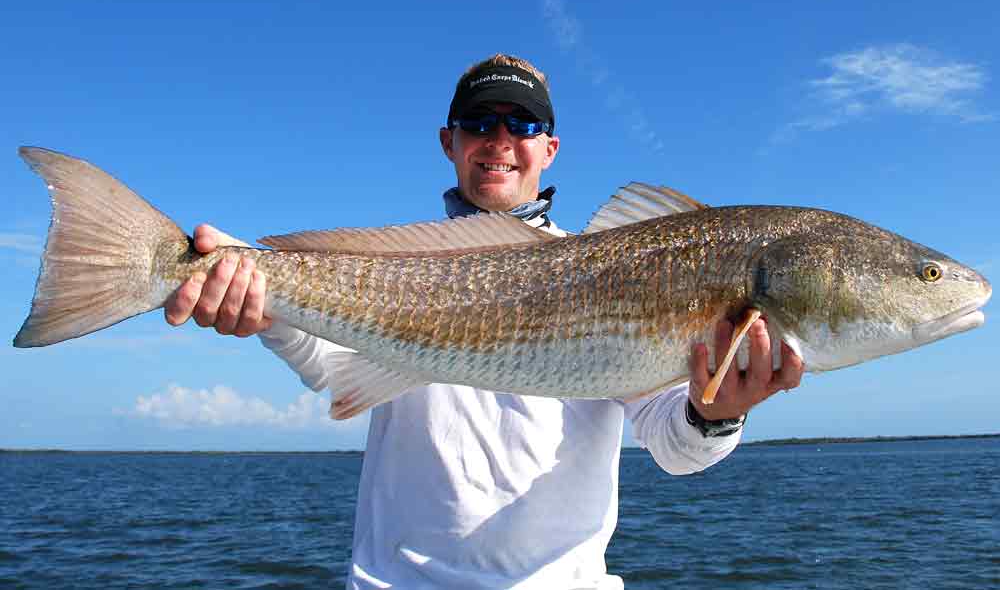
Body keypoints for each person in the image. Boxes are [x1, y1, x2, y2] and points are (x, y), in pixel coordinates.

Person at [165, 53, 804, 589]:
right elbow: (338, 368)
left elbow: (675, 447)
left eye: (522, 125)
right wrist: (259, 303)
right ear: (450, 142)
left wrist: (715, 412)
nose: (500, 140)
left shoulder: (630, 272)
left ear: (549, 149)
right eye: (479, 122)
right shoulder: (392, 267)